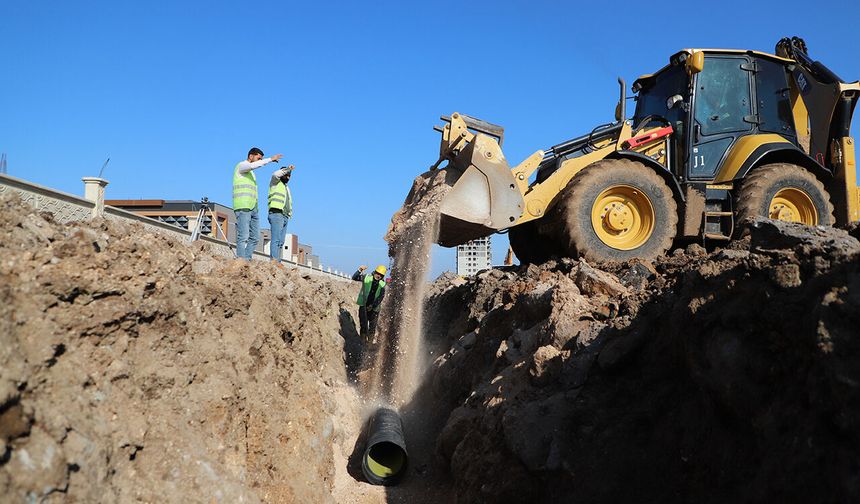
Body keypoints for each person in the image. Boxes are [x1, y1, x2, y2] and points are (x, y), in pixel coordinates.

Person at [233, 147, 283, 260]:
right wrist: (270, 159)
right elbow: (253, 165)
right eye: (258, 158)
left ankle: (246, 260)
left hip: (253, 208)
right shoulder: (241, 166)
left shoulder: (251, 173)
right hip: (243, 206)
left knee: (255, 237)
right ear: (251, 156)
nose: (259, 161)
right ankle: (240, 260)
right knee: (243, 236)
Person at [352, 265, 387, 341]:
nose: (378, 276)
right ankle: (362, 343)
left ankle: (369, 344)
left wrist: (373, 306)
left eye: (381, 275)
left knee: (372, 328)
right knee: (363, 326)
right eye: (377, 273)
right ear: (375, 272)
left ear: (383, 276)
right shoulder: (366, 278)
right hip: (364, 306)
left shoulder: (382, 284)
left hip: (374, 309)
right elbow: (354, 278)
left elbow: (380, 297)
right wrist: (360, 270)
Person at [267, 164, 294, 261]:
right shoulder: (275, 182)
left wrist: (289, 214)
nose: (288, 177)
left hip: (285, 215)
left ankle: (278, 261)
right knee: (276, 239)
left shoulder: (286, 188)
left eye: (289, 175)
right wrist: (288, 169)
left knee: (281, 241)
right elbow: (275, 174)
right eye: (286, 175)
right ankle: (274, 261)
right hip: (276, 213)